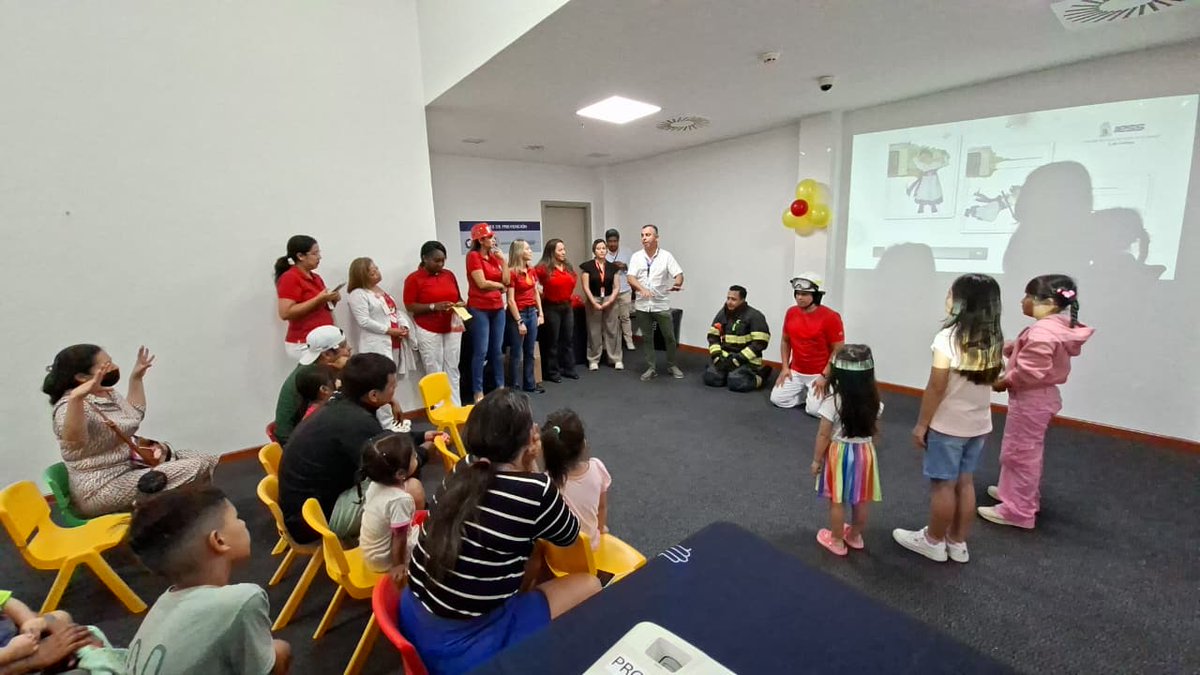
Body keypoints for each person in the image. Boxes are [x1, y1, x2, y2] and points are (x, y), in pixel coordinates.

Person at [402, 389, 601, 674]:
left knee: (528, 553)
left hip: (411, 612)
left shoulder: (464, 466)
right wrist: (533, 469)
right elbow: (569, 534)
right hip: (464, 646)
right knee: (590, 585)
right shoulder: (536, 491)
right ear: (527, 441)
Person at [893, 274, 1004, 564]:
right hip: (978, 425)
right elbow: (995, 380)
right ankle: (957, 542)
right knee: (965, 482)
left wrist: (922, 424)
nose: (947, 298)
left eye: (951, 294)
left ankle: (933, 541)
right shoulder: (994, 338)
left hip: (948, 426)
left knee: (943, 485)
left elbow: (936, 386)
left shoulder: (947, 338)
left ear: (963, 304)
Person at [126, 486, 291, 675]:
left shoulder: (161, 606)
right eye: (237, 518)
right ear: (219, 541)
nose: (243, 523)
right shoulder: (240, 601)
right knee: (281, 649)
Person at [43, 344, 218, 517]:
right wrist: (76, 399)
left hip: (129, 466)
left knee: (205, 459)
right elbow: (74, 442)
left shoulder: (106, 392)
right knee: (194, 467)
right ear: (81, 377)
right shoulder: (67, 407)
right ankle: (193, 519)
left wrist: (136, 378)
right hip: (101, 487)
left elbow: (134, 415)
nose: (114, 367)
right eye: (106, 365)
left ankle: (190, 516)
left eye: (111, 361)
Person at [980, 274, 1093, 530]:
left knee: (1020, 454)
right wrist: (1012, 348)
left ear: (1049, 303)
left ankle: (1018, 511)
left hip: (1031, 400)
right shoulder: (1055, 327)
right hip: (1038, 398)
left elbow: (1030, 371)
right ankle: (1013, 492)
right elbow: (1033, 353)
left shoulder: (1043, 332)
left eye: (1028, 296)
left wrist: (1003, 382)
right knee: (1020, 450)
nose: (1023, 301)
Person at [279, 353, 400, 543]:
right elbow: (390, 463)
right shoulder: (355, 421)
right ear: (373, 395)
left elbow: (381, 440)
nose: (395, 389)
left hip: (303, 510)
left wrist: (420, 437)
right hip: (313, 521)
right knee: (404, 489)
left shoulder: (339, 405)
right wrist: (423, 452)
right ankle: (400, 551)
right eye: (392, 386)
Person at [811, 345, 883, 556]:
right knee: (861, 498)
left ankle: (836, 541)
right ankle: (855, 536)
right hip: (865, 453)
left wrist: (816, 460)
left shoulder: (833, 402)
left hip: (839, 455)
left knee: (837, 499)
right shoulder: (875, 402)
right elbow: (874, 429)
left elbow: (823, 435)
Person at [347, 256, 418, 426]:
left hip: (394, 342)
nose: (377, 274)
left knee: (391, 382)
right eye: (372, 273)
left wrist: (402, 325)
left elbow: (394, 312)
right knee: (380, 383)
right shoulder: (358, 294)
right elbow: (364, 321)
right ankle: (385, 422)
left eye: (376, 269)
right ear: (362, 276)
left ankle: (393, 418)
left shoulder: (380, 290)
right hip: (376, 343)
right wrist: (389, 330)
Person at [770, 274, 845, 414]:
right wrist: (785, 368)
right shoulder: (791, 312)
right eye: (797, 293)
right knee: (777, 400)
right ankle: (807, 394)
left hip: (820, 373)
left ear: (816, 296)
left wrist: (825, 376)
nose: (799, 297)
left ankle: (833, 393)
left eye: (804, 294)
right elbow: (785, 341)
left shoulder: (831, 317)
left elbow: (838, 350)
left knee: (815, 412)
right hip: (796, 371)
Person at [358, 432, 425, 586]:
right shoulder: (399, 500)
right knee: (435, 540)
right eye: (413, 457)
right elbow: (399, 538)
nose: (416, 457)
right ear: (400, 474)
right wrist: (398, 566)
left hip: (370, 552)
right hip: (385, 560)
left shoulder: (375, 484)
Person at [404, 241, 465, 406]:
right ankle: (439, 409)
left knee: (452, 367)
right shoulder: (414, 279)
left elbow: (458, 297)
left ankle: (455, 406)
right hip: (428, 328)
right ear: (425, 258)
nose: (441, 264)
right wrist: (433, 306)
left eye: (443, 260)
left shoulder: (449, 275)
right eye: (436, 260)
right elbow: (410, 305)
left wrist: (460, 303)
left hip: (452, 326)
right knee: (434, 369)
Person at [541, 409, 611, 551]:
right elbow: (602, 507)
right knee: (603, 530)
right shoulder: (597, 468)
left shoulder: (545, 482)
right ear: (583, 444)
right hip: (590, 549)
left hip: (556, 554)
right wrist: (600, 528)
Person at [273, 326, 351, 446]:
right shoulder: (316, 377)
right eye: (344, 346)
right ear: (327, 354)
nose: (349, 348)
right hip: (295, 442)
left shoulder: (312, 369)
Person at [627, 225, 685, 381]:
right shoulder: (636, 257)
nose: (644, 238)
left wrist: (677, 283)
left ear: (656, 238)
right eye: (642, 235)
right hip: (642, 305)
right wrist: (642, 289)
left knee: (669, 337)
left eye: (648, 235)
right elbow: (630, 277)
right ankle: (651, 368)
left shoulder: (666, 256)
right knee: (647, 338)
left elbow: (679, 274)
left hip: (661, 304)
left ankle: (672, 365)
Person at [0, 594, 105, 675]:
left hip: (31, 647)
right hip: (21, 658)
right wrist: (11, 653)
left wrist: (34, 622)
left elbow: (7, 602)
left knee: (63, 619)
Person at [465, 223, 510, 402]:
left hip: (497, 308)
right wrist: (499, 286)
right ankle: (478, 391)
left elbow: (507, 280)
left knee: (497, 350)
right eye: (490, 237)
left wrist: (503, 262)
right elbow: (481, 283)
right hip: (479, 308)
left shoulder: (494, 257)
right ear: (481, 240)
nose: (493, 240)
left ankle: (500, 387)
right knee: (481, 351)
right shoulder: (473, 256)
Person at [275, 235, 339, 359]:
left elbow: (322, 308)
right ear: (300, 256)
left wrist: (331, 300)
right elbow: (285, 313)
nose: (319, 257)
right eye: (315, 253)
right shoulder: (290, 277)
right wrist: (318, 299)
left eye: (319, 253)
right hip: (304, 341)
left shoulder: (316, 278)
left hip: (323, 339)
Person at [704, 285, 771, 392]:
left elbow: (760, 343)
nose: (729, 302)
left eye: (733, 299)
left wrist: (738, 359)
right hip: (725, 358)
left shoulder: (755, 316)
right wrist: (717, 356)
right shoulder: (723, 313)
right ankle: (728, 374)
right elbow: (713, 336)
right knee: (711, 378)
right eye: (728, 298)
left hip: (746, 360)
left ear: (742, 300)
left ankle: (761, 376)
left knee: (737, 382)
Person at [535, 239, 579, 383]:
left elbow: (573, 279)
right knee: (552, 341)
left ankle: (569, 368)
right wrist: (541, 293)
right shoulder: (542, 268)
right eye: (560, 250)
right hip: (551, 307)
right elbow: (533, 284)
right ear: (551, 252)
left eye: (564, 249)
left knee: (568, 339)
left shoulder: (567, 266)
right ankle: (552, 372)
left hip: (567, 306)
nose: (563, 252)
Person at [505, 239, 545, 394]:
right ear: (519, 252)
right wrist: (519, 321)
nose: (530, 251)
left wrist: (540, 313)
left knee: (530, 351)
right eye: (527, 249)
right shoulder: (512, 273)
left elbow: (535, 292)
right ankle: (514, 387)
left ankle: (530, 384)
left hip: (531, 312)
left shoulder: (531, 270)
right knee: (516, 352)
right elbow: (510, 300)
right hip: (519, 314)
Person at [579, 239, 623, 371]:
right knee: (594, 330)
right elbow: (585, 287)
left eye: (604, 248)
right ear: (594, 250)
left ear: (607, 250)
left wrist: (610, 301)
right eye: (598, 248)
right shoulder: (587, 267)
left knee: (612, 329)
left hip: (610, 298)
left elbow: (617, 287)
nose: (602, 251)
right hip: (593, 298)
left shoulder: (613, 267)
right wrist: (593, 302)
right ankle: (593, 359)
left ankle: (615, 358)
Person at [604, 229, 636, 351]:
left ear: (618, 241)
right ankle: (612, 342)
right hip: (609, 292)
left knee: (625, 317)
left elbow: (635, 269)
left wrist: (625, 266)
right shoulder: (603, 253)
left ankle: (629, 341)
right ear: (606, 242)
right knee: (611, 319)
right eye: (610, 241)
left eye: (615, 241)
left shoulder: (627, 252)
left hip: (625, 290)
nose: (612, 244)